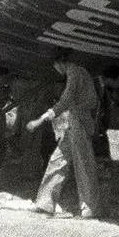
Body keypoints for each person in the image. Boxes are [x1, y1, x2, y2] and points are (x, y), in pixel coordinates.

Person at [25, 50, 102, 218]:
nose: (57, 71)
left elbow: (65, 100)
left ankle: (90, 209)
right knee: (57, 160)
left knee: (83, 165)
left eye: (56, 68)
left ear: (60, 64)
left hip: (79, 121)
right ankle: (45, 203)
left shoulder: (74, 72)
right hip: (75, 121)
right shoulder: (81, 72)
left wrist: (40, 120)